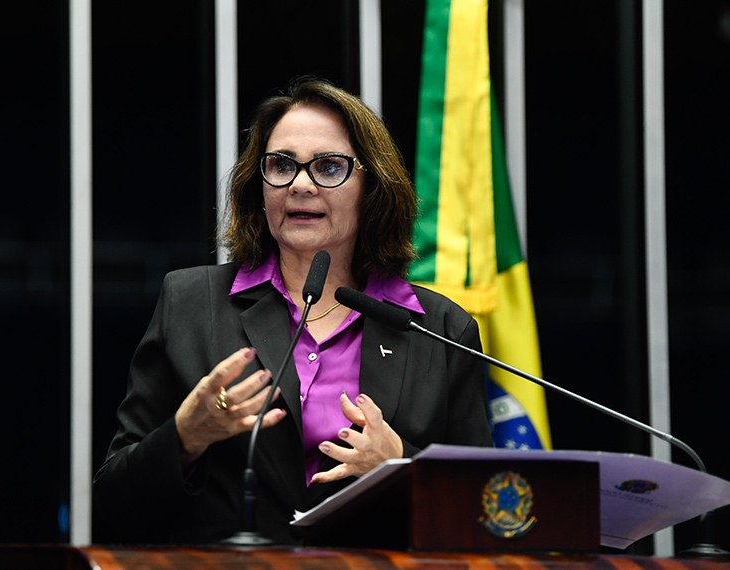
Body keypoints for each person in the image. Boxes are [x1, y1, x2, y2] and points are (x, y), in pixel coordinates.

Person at [92, 78, 492, 546]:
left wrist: (399, 462)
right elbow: (113, 501)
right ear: (258, 184)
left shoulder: (438, 328)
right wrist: (185, 436)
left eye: (329, 167)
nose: (301, 184)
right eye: (281, 165)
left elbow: (484, 512)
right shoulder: (191, 304)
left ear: (373, 187)